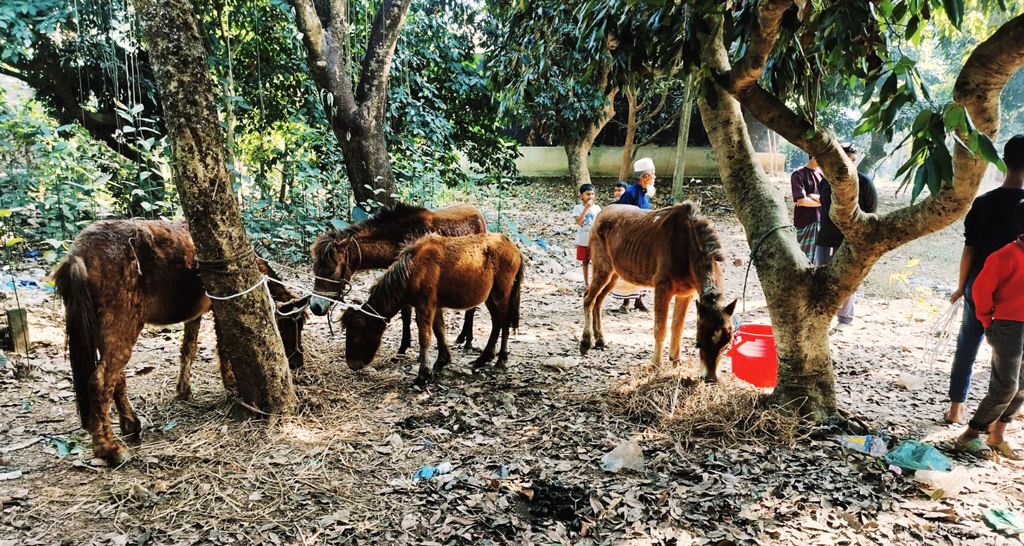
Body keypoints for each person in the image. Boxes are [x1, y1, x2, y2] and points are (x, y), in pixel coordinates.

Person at [945, 134, 1024, 425]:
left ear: (1003, 161)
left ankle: (955, 408)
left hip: (979, 285)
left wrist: (961, 286)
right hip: (1015, 294)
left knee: (967, 344)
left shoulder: (983, 203)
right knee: (1010, 354)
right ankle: (998, 421)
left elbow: (970, 249)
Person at [951, 199, 1024, 461]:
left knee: (1022, 385)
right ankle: (969, 434)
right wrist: (987, 321)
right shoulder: (1005, 255)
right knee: (1006, 385)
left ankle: (997, 435)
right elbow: (981, 291)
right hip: (1007, 326)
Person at [813, 143, 878, 331]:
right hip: (825, 237)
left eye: (853, 161)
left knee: (846, 279)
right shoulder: (826, 181)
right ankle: (823, 315)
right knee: (822, 276)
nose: (849, 165)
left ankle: (845, 318)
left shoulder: (864, 182)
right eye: (845, 160)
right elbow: (824, 205)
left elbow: (871, 211)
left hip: (849, 240)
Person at [611, 158, 655, 312]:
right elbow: (623, 216)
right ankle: (626, 303)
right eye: (653, 175)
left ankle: (639, 300)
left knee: (642, 270)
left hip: (644, 239)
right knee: (629, 270)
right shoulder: (630, 192)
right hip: (630, 240)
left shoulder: (644, 192)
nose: (655, 178)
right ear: (645, 177)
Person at [791, 155, 823, 261]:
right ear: (813, 154)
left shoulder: (824, 176)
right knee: (803, 261)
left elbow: (831, 199)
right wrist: (823, 202)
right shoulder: (798, 174)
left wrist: (812, 197)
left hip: (822, 223)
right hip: (804, 223)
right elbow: (801, 200)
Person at [572, 183, 601, 287]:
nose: (590, 196)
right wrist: (586, 209)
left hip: (595, 240)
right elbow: (580, 222)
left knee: (596, 262)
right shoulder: (577, 208)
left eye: (592, 194)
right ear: (581, 196)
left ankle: (595, 282)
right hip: (583, 240)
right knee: (585, 262)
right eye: (588, 194)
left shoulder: (597, 208)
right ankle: (586, 283)